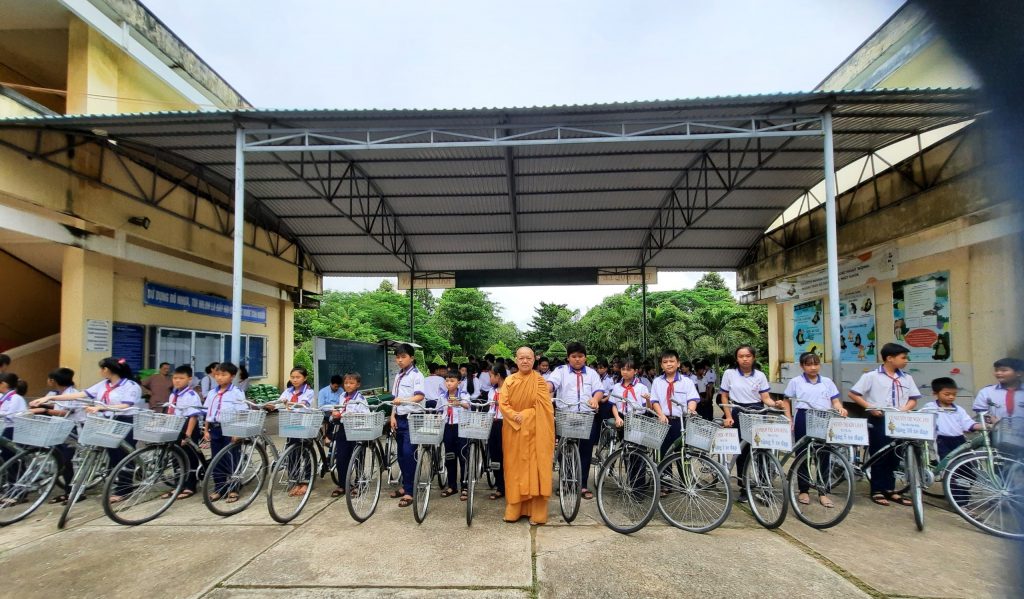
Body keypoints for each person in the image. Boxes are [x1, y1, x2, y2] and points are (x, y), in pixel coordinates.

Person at [44, 357, 142, 503]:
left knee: (124, 455)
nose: (100, 371)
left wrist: (100, 407)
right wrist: (49, 399)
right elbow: (80, 395)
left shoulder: (131, 386)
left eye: (101, 368)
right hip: (108, 420)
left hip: (126, 420)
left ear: (107, 370)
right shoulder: (103, 384)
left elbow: (126, 405)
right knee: (113, 454)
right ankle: (119, 483)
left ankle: (125, 489)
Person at [848, 342, 922, 507]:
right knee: (879, 454)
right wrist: (870, 407)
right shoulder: (872, 376)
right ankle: (877, 490)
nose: (906, 361)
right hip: (880, 418)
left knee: (895, 455)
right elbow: (853, 394)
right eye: (903, 357)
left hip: (900, 420)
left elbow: (914, 399)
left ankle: (890, 489)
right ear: (889, 358)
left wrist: (905, 409)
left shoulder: (906, 377)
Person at [784, 352, 847, 508]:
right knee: (803, 454)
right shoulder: (795, 382)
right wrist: (789, 418)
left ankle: (822, 491)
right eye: (809, 364)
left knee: (824, 454)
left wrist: (840, 409)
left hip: (824, 418)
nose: (813, 368)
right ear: (802, 366)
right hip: (804, 417)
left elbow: (835, 400)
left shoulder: (827, 382)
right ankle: (803, 490)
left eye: (816, 364)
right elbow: (786, 400)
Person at [720, 345, 782, 503]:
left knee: (762, 449)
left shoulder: (760, 375)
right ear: (736, 358)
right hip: (738, 411)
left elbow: (765, 398)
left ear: (753, 357)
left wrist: (774, 404)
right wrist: (728, 416)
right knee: (742, 451)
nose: (744, 359)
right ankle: (744, 487)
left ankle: (764, 486)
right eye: (741, 356)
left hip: (758, 412)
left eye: (748, 356)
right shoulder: (729, 374)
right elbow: (724, 397)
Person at [501, 346, 554, 524]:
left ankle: (537, 510)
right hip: (513, 432)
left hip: (535, 433)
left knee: (536, 469)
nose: (525, 361)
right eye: (521, 358)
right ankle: (515, 506)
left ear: (534, 360)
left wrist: (524, 415)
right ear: (516, 360)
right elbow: (503, 404)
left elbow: (544, 408)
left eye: (528, 358)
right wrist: (514, 416)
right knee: (514, 468)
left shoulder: (539, 381)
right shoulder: (509, 381)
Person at [546, 342, 604, 500]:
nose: (577, 359)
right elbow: (551, 384)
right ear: (568, 358)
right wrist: (546, 388)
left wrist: (595, 399)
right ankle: (565, 482)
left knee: (585, 451)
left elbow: (599, 390)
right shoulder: (560, 371)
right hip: (566, 415)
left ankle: (583, 485)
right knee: (564, 450)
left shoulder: (592, 373)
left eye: (580, 356)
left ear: (585, 357)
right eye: (574, 356)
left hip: (586, 416)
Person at [202, 362, 248, 503]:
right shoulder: (212, 393)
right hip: (215, 428)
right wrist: (206, 429)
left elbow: (242, 412)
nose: (219, 378)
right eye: (217, 375)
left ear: (232, 376)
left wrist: (237, 431)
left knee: (232, 459)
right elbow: (208, 412)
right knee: (217, 459)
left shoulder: (237, 392)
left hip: (231, 428)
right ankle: (219, 489)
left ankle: (234, 488)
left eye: (223, 375)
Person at [31, 368, 78, 502]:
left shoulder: (72, 393)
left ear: (54, 380)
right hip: (59, 428)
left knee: (68, 461)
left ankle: (73, 492)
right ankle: (68, 490)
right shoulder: (55, 393)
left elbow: (65, 412)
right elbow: (56, 407)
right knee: (61, 460)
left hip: (72, 429)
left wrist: (45, 410)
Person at [387, 344, 425, 508]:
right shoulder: (398, 376)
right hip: (400, 418)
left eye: (403, 357)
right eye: (398, 357)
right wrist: (393, 415)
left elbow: (419, 397)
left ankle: (410, 491)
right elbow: (395, 397)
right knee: (401, 454)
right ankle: (406, 486)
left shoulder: (417, 375)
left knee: (410, 453)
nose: (400, 360)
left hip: (413, 418)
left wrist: (403, 401)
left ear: (412, 357)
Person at [649, 350, 700, 460]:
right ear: (661, 365)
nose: (669, 364)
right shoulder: (657, 381)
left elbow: (692, 399)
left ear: (678, 364)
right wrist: (661, 415)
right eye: (665, 362)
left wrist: (690, 410)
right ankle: (664, 476)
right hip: (663, 422)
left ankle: (683, 477)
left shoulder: (686, 381)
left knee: (682, 454)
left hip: (681, 422)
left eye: (672, 361)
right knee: (663, 454)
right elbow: (654, 401)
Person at [327, 372, 368, 498]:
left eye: (351, 383)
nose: (348, 385)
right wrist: (335, 413)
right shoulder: (342, 396)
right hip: (343, 428)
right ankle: (343, 484)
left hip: (357, 429)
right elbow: (339, 409)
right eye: (346, 383)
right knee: (341, 458)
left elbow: (365, 414)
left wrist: (350, 415)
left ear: (358, 385)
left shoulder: (360, 399)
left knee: (357, 458)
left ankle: (360, 482)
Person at [166, 365, 203, 499]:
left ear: (189, 379)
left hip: (188, 428)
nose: (177, 381)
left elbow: (193, 416)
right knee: (176, 458)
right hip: (175, 427)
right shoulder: (173, 395)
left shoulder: (191, 395)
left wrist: (187, 435)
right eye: (175, 378)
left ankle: (190, 486)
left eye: (181, 378)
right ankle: (178, 485)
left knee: (189, 457)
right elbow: (171, 412)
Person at [927, 377, 981, 459]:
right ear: (935, 394)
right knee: (946, 464)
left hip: (960, 440)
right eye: (947, 394)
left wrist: (983, 426)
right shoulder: (930, 407)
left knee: (966, 463)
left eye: (954, 394)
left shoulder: (959, 409)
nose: (951, 397)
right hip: (941, 441)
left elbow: (968, 423)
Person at [440, 370, 470, 500]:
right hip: (448, 427)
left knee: (463, 456)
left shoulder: (463, 394)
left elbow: (468, 405)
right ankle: (452, 486)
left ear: (459, 382)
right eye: (447, 380)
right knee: (450, 456)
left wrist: (459, 403)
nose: (449, 383)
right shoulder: (442, 396)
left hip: (461, 427)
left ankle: (465, 486)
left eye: (452, 381)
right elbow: (440, 410)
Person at [608, 360, 650, 429]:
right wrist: (617, 417)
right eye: (623, 369)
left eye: (628, 370)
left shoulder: (642, 387)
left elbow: (648, 408)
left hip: (638, 419)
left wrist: (648, 400)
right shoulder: (616, 387)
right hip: (621, 418)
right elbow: (614, 405)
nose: (625, 372)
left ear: (635, 371)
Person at [487, 363, 508, 501]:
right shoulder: (491, 391)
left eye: (491, 376)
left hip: (506, 424)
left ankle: (510, 486)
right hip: (493, 424)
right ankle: (500, 486)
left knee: (507, 456)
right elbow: (489, 408)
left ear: (498, 376)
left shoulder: (509, 389)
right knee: (495, 456)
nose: (489, 379)